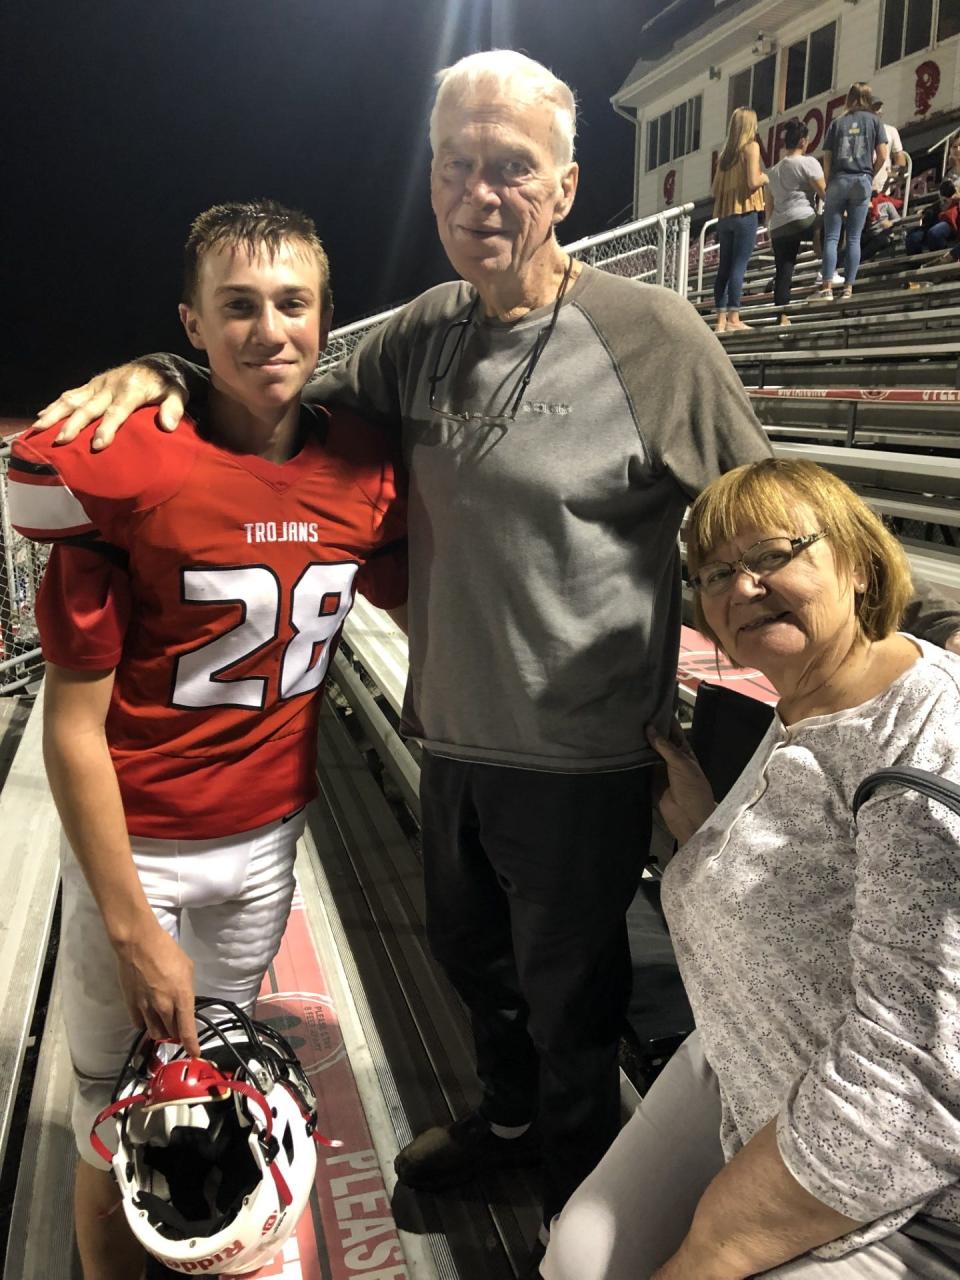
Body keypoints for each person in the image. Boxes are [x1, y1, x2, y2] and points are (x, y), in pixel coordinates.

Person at [26, 51, 960, 1275]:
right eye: (458, 167)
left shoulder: (654, 335)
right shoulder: (421, 334)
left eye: (511, 167)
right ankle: (506, 1121)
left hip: (581, 754)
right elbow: (274, 384)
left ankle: (571, 1192)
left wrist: (891, 656)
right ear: (433, 182)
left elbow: (776, 511)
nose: (482, 192)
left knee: (573, 1003)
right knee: (472, 965)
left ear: (566, 187)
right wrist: (163, 369)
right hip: (452, 735)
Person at [8, 200, 407, 1280]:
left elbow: (420, 586)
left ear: (326, 319)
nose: (267, 328)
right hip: (137, 847)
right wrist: (132, 922)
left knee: (216, 1083)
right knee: (114, 1113)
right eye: (236, 306)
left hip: (269, 836)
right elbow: (73, 729)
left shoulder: (366, 466)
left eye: (291, 303)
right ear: (192, 320)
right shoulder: (130, 460)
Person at [543, 457, 960, 1280]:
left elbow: (917, 1079)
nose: (742, 587)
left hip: (905, 1181)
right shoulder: (817, 692)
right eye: (716, 571)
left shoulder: (924, 745)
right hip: (747, 1055)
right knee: (579, 1256)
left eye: (773, 555)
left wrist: (713, 1249)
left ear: (858, 562)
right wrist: (705, 828)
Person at [818, 82, 888, 301]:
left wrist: (829, 182)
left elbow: (827, 158)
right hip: (861, 180)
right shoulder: (875, 121)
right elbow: (884, 155)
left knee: (831, 237)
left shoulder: (837, 123)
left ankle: (827, 287)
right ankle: (848, 288)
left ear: (849, 98)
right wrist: (870, 174)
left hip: (838, 179)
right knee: (855, 237)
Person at [711, 106, 768, 333]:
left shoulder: (725, 155)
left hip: (725, 215)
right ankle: (734, 317)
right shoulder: (751, 148)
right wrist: (766, 177)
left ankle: (720, 321)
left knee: (723, 267)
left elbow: (714, 189)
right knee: (739, 265)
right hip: (745, 212)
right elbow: (754, 181)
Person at [764, 119, 826, 324]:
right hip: (802, 218)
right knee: (831, 223)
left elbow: (769, 205)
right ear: (803, 141)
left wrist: (769, 228)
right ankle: (824, 262)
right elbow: (824, 193)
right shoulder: (808, 162)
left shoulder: (772, 172)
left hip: (779, 226)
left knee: (784, 270)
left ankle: (782, 317)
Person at [906, 179, 960, 258]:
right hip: (935, 222)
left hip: (950, 222)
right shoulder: (939, 203)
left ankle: (938, 259)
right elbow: (931, 209)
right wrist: (924, 212)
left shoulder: (957, 201)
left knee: (934, 232)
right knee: (912, 237)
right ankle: (915, 264)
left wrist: (955, 199)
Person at [871, 99, 907, 195]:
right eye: (874, 108)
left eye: (879, 108)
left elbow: (899, 157)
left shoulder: (891, 131)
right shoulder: (860, 133)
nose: (877, 111)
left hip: (883, 188)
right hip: (862, 187)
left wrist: (895, 180)